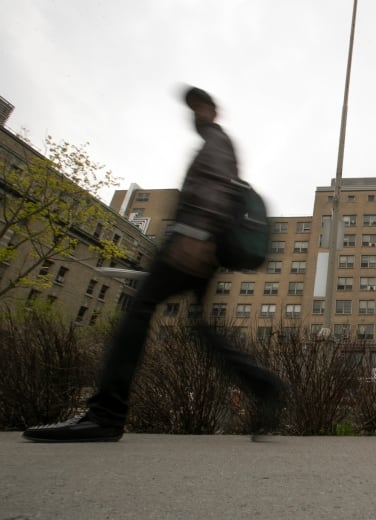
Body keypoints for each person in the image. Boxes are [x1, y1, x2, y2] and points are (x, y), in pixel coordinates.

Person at [23, 87, 286, 442]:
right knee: (200, 327)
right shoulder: (215, 142)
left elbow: (214, 189)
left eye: (199, 107)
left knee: (139, 310)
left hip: (191, 240)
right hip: (198, 242)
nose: (194, 114)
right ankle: (265, 385)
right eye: (191, 108)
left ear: (211, 110)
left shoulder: (217, 143)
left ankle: (105, 414)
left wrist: (197, 235)